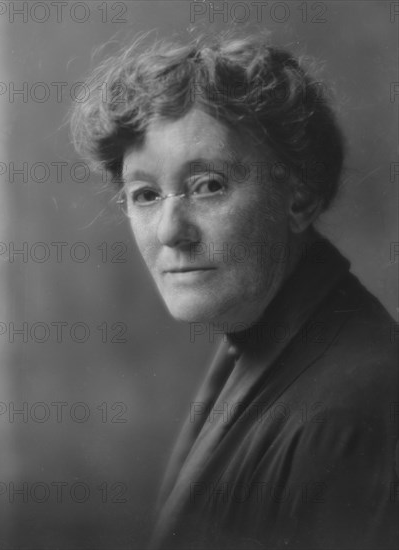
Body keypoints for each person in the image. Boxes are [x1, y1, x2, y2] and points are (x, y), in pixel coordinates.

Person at [71, 30, 398, 550]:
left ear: (300, 199)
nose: (170, 231)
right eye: (146, 194)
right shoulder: (262, 339)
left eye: (209, 185)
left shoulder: (350, 414)